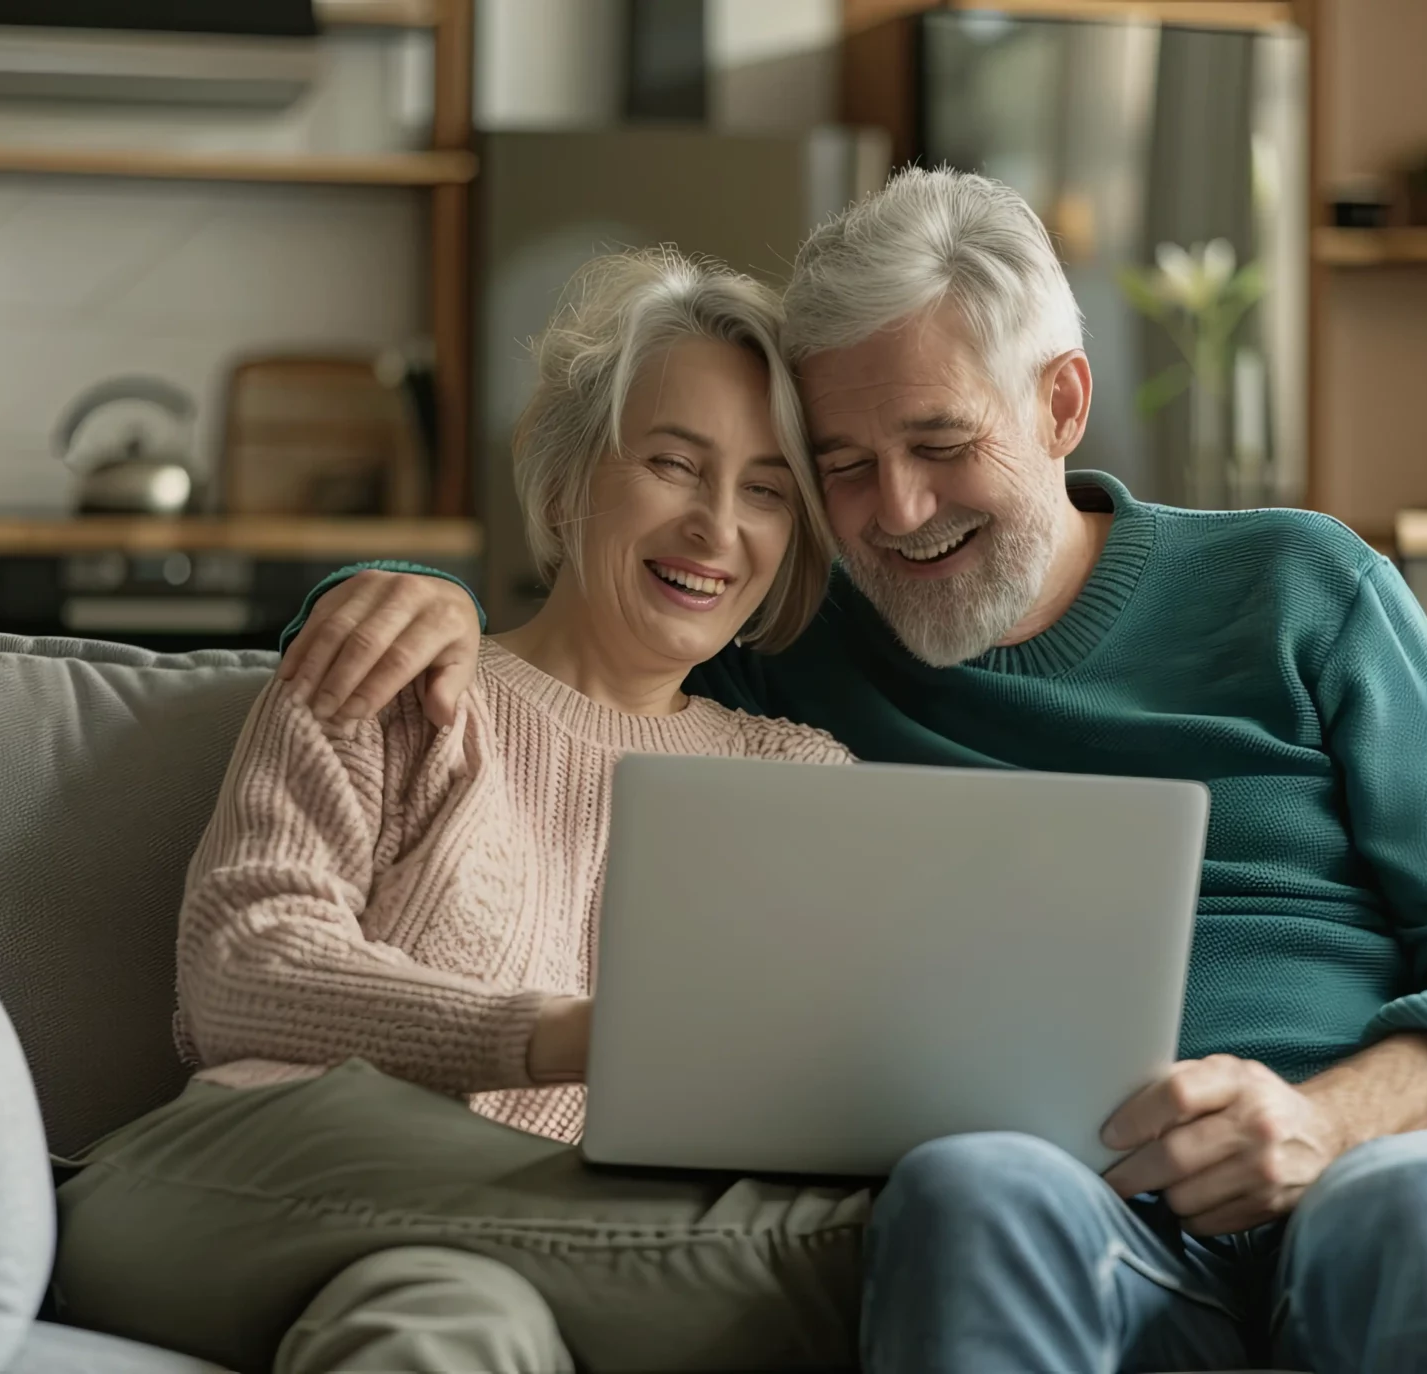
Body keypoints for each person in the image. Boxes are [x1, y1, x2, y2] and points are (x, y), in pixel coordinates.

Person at [289, 168, 1427, 1374]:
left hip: (1385, 1166)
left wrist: (1326, 1120)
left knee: (1418, 1207)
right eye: (844, 468)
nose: (896, 514)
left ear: (1061, 402)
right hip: (1099, 1226)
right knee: (968, 1185)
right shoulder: (799, 655)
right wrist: (407, 597)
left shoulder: (1298, 586)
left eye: (938, 443)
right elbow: (599, 652)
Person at [52, 248, 873, 1374]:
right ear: (563, 485)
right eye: (675, 466)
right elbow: (241, 970)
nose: (716, 526)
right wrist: (562, 1037)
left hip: (484, 1258)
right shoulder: (397, 672)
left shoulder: (803, 780)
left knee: (445, 1328)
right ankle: (857, 1265)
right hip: (256, 1176)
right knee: (881, 1243)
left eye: (768, 491)